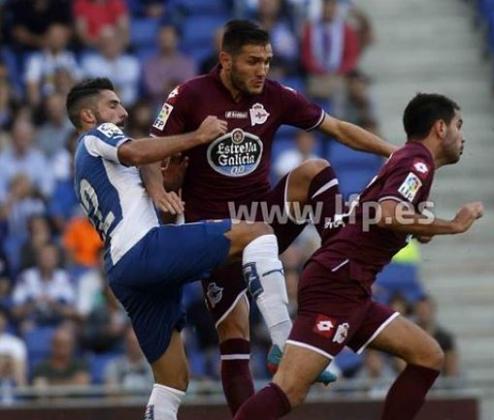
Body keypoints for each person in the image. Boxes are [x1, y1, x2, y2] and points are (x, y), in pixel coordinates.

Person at [150, 19, 395, 414]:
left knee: (314, 170)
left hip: (260, 219)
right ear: (226, 60)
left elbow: (337, 128)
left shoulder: (276, 96)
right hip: (211, 235)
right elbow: (152, 150)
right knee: (234, 333)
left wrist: (394, 154)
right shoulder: (190, 95)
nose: (262, 70)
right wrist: (165, 183)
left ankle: (339, 271)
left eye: (266, 61)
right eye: (252, 62)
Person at [234, 93, 484, 419]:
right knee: (289, 389)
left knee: (428, 355)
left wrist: (422, 226)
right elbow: (384, 213)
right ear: (440, 128)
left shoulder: (407, 160)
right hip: (338, 283)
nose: (461, 135)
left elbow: (390, 215)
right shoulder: (417, 163)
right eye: (458, 126)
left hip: (353, 286)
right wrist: (453, 225)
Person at [67, 77, 296, 419]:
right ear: (88, 115)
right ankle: (285, 342)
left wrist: (166, 185)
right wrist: (198, 136)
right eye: (113, 105)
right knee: (258, 231)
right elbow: (136, 151)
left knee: (172, 381)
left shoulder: (85, 164)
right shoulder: (97, 135)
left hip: (124, 271)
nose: (123, 112)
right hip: (143, 250)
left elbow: (133, 191)